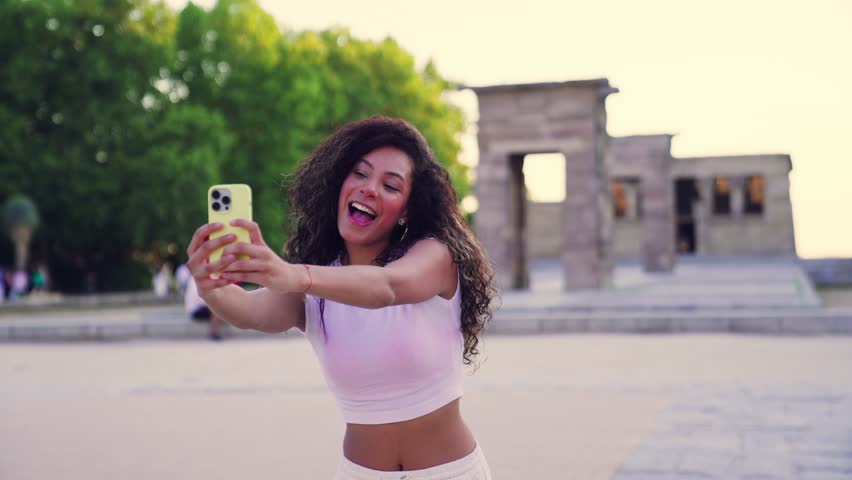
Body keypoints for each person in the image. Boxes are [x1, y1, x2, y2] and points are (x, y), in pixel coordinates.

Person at [186, 116, 497, 479]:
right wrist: (211, 287)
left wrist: (294, 275)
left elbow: (388, 286)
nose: (369, 189)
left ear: (407, 209)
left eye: (390, 185)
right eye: (360, 174)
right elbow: (253, 312)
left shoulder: (434, 256)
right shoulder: (318, 284)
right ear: (338, 183)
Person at [183, 274, 222, 341]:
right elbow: (201, 299)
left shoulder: (195, 278)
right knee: (215, 311)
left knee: (216, 308)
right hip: (195, 310)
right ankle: (213, 334)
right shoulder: (197, 280)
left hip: (196, 308)